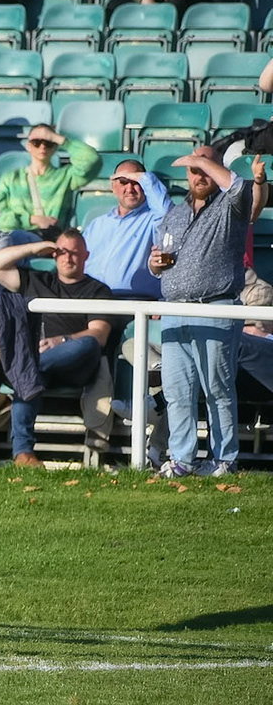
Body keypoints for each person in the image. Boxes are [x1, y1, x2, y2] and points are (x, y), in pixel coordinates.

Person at [148, 151, 250, 475]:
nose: (200, 175)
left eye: (205, 167)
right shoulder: (174, 214)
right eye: (193, 169)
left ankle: (224, 459)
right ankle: (182, 459)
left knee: (217, 389)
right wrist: (153, 266)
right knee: (178, 392)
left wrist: (205, 160)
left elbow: (238, 187)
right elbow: (159, 258)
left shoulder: (229, 207)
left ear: (217, 167)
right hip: (174, 310)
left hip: (216, 306)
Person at [0, 229, 118, 466]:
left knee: (85, 344)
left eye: (75, 253)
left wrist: (62, 340)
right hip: (41, 365)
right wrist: (34, 249)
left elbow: (99, 335)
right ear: (54, 255)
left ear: (86, 256)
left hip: (76, 365)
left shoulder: (98, 290)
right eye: (62, 252)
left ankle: (21, 370)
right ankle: (23, 454)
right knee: (31, 377)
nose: (68, 258)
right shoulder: (36, 280)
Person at [82, 158, 169, 298]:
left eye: (136, 182)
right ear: (113, 186)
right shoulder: (96, 224)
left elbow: (168, 214)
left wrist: (145, 179)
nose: (129, 188)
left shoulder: (154, 219)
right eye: (123, 181)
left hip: (133, 303)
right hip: (91, 300)